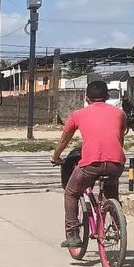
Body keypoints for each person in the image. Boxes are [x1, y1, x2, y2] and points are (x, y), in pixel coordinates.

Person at [51, 79, 126, 248]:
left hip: (91, 164)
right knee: (111, 188)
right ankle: (118, 221)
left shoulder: (78, 115)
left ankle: (73, 235)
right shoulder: (120, 113)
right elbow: (120, 138)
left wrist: (56, 156)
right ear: (107, 96)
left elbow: (65, 139)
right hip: (116, 163)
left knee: (71, 193)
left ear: (86, 98)